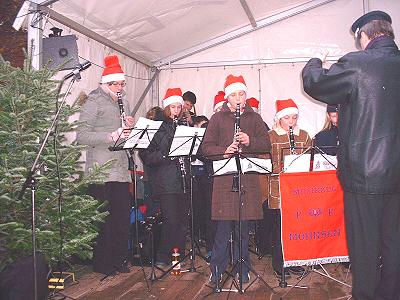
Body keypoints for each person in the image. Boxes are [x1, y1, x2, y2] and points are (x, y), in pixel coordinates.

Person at [302, 10, 400, 300]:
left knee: (365, 248)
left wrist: (314, 61)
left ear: (363, 36)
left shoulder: (358, 64)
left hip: (365, 175)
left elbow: (316, 83)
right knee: (394, 245)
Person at [201, 74, 270, 284]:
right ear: (227, 98)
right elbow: (206, 148)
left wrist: (250, 141)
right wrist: (224, 151)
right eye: (234, 95)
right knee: (222, 229)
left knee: (243, 228)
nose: (238, 98)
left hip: (247, 179)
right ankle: (217, 269)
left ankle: (243, 268)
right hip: (225, 180)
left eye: (241, 94)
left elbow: (266, 144)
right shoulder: (217, 118)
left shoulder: (254, 118)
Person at [76, 54, 134, 275]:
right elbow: (81, 135)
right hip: (100, 170)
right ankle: (103, 264)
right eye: (115, 84)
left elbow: (123, 136)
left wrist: (128, 126)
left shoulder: (124, 101)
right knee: (104, 221)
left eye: (121, 83)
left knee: (120, 218)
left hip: (120, 170)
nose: (119, 87)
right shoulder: (94, 101)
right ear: (105, 83)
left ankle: (120, 260)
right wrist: (110, 135)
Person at [259, 99, 312, 278]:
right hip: (278, 188)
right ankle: (279, 263)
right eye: (287, 118)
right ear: (279, 118)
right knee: (279, 228)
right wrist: (279, 167)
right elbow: (263, 162)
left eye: (294, 117)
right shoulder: (270, 136)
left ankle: (293, 261)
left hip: (298, 189)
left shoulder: (304, 136)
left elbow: (311, 159)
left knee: (295, 227)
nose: (291, 121)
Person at [139, 88, 189, 267]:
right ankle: (163, 256)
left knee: (182, 221)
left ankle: (179, 255)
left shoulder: (184, 127)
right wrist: (167, 152)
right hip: (166, 181)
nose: (176, 110)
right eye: (172, 107)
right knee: (170, 220)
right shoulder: (157, 128)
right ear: (166, 107)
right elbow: (146, 156)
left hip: (183, 179)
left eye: (179, 107)